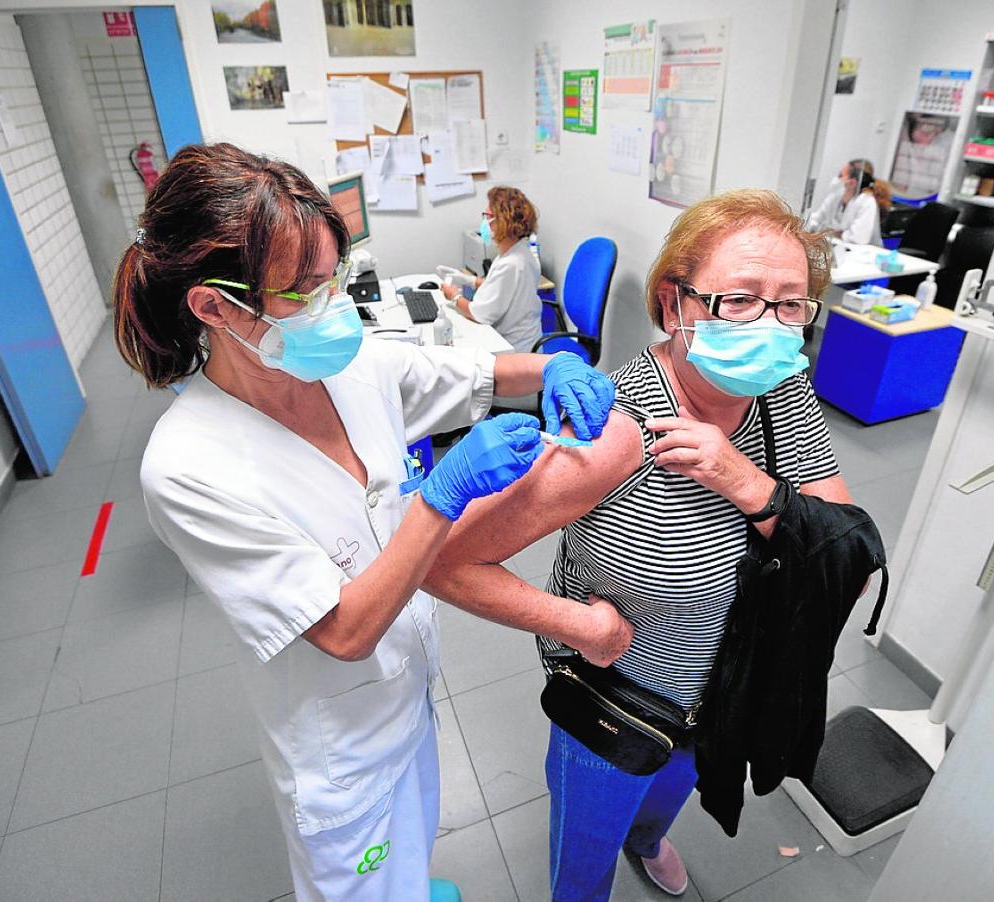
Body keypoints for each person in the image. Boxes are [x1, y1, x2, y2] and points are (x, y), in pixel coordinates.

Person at [113, 143, 631, 902]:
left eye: (334, 280)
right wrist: (439, 498)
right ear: (214, 306)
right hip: (340, 749)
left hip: (409, 695)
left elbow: (481, 375)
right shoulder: (190, 468)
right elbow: (346, 632)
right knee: (368, 880)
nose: (331, 309)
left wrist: (551, 368)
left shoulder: (351, 368)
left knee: (413, 848)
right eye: (301, 291)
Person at [428, 189, 858, 901]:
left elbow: (844, 552)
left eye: (791, 304)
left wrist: (747, 483)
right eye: (742, 299)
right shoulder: (616, 433)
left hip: (724, 690)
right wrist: (580, 625)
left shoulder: (782, 391)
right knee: (583, 859)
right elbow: (445, 562)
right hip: (619, 701)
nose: (773, 326)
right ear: (673, 305)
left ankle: (648, 837)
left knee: (667, 797)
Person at [440, 186, 543, 352]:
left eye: (488, 216)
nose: (484, 223)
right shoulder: (519, 251)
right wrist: (470, 280)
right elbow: (502, 288)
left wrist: (454, 296)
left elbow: (480, 314)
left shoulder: (511, 263)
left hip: (513, 349)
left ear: (503, 221)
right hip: (524, 338)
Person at [807, 158, 886, 246]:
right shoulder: (837, 195)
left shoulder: (867, 202)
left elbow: (858, 239)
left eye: (841, 175)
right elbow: (816, 219)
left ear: (852, 183)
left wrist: (829, 232)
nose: (837, 179)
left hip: (864, 254)